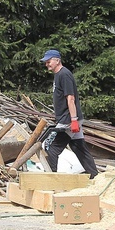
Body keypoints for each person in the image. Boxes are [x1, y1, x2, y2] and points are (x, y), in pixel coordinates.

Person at [39, 49, 99, 179]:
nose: (47, 64)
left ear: (57, 60)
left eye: (49, 61)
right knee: (78, 146)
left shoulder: (64, 75)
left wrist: (73, 120)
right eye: (46, 62)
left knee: (51, 148)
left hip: (68, 119)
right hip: (68, 118)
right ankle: (95, 176)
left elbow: (70, 98)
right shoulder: (58, 75)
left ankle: (50, 180)